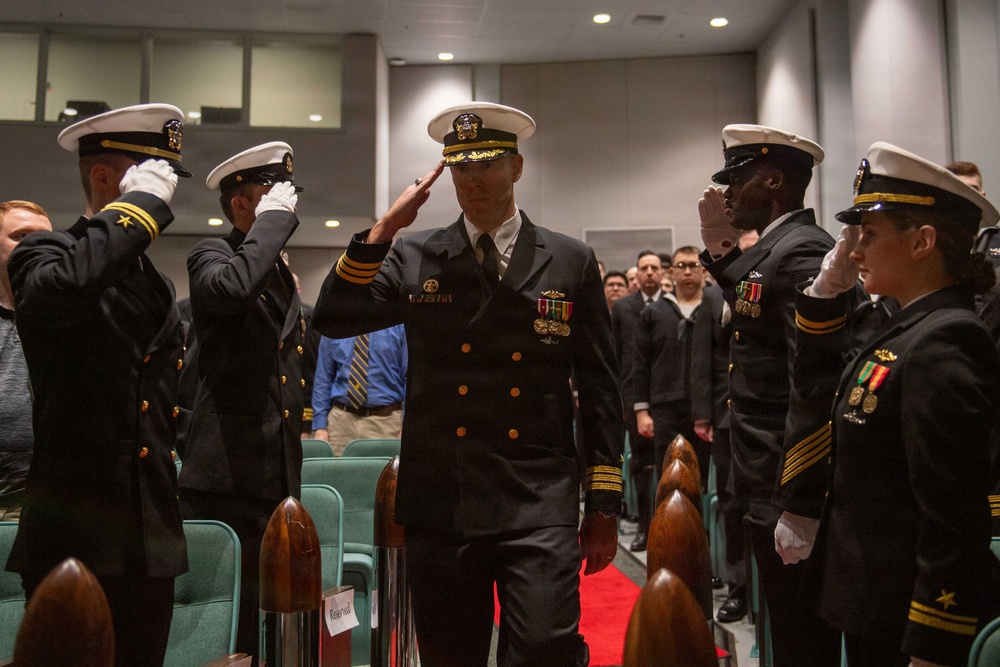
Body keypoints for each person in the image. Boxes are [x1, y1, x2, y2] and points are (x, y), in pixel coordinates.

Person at [311, 102, 623, 667]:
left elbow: (600, 388)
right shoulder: (415, 252)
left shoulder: (569, 259)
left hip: (536, 492)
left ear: (517, 167)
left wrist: (603, 502)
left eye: (487, 165)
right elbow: (333, 317)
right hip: (442, 497)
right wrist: (384, 229)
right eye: (461, 168)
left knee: (545, 647)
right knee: (450, 656)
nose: (473, 180)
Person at [791, 142, 1000, 666]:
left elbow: (953, 516)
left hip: (907, 622)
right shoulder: (908, 327)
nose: (854, 251)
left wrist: (933, 643)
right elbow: (821, 391)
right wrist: (823, 299)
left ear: (922, 241)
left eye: (870, 234)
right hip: (874, 603)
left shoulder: (945, 342)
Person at [5, 104, 190, 667]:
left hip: (149, 535)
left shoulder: (155, 283)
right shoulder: (44, 254)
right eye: (147, 174)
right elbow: (67, 289)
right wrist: (136, 209)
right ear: (105, 177)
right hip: (76, 528)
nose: (164, 192)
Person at [698, 124, 841, 665]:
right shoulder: (779, 247)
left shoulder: (804, 250)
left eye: (738, 180)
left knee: (802, 636)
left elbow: (815, 379)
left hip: (784, 477)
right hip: (761, 471)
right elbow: (753, 299)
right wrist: (721, 250)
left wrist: (801, 500)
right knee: (782, 625)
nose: (728, 193)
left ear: (775, 181)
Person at [177, 141, 305, 662]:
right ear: (240, 205)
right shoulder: (212, 255)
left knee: (267, 619)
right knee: (227, 628)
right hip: (226, 478)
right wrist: (271, 225)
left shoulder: (275, 269)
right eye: (272, 197)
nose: (288, 207)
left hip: (274, 471)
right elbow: (231, 290)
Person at [690, 230, 756, 624]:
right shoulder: (714, 297)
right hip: (727, 414)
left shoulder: (775, 288)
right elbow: (702, 359)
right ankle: (738, 588)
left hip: (767, 413)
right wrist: (703, 414)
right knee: (732, 504)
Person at [632, 246, 706, 537]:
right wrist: (642, 411)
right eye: (681, 266)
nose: (687, 271)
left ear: (703, 271)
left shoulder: (712, 306)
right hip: (664, 408)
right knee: (667, 478)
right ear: (671, 272)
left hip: (702, 409)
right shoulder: (653, 312)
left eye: (693, 265)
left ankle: (698, 541)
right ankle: (667, 538)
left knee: (700, 478)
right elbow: (640, 364)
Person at [0, 201, 52, 521]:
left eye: (45, 237)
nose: (35, 245)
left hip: (53, 502)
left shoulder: (68, 318)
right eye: (21, 235)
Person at [611, 250, 665, 552]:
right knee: (641, 466)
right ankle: (645, 527)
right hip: (634, 398)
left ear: (662, 273)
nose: (649, 273)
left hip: (667, 397)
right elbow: (615, 355)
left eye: (654, 268)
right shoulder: (623, 308)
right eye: (644, 268)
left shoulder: (671, 305)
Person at [312, 325, 407, 455]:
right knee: (337, 468)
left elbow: (410, 378)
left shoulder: (398, 324)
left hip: (386, 422)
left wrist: (406, 425)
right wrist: (320, 427)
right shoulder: (334, 323)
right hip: (340, 424)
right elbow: (323, 379)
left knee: (384, 468)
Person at [293, 272, 322, 437]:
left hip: (304, 404)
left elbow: (312, 369)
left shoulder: (308, 317)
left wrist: (308, 420)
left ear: (299, 289)